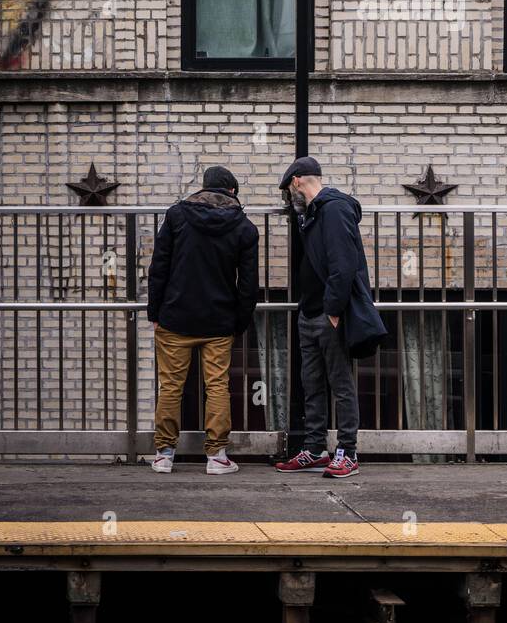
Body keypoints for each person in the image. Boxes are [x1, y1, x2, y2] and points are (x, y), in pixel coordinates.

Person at [274, 157, 386, 479]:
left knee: (341, 384)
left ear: (296, 182)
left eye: (288, 191)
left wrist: (333, 310)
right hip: (309, 312)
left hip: (327, 315)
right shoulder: (312, 213)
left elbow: (343, 264)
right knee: (312, 385)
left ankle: (347, 452)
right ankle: (315, 449)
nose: (288, 200)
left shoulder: (334, 209)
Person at [147, 166, 259, 475]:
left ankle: (164, 455)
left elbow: (159, 267)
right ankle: (217, 456)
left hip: (175, 316)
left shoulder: (176, 216)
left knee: (170, 386)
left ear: (203, 187)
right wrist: (239, 322)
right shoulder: (244, 227)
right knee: (217, 386)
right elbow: (248, 285)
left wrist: (154, 312)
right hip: (219, 320)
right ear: (232, 191)